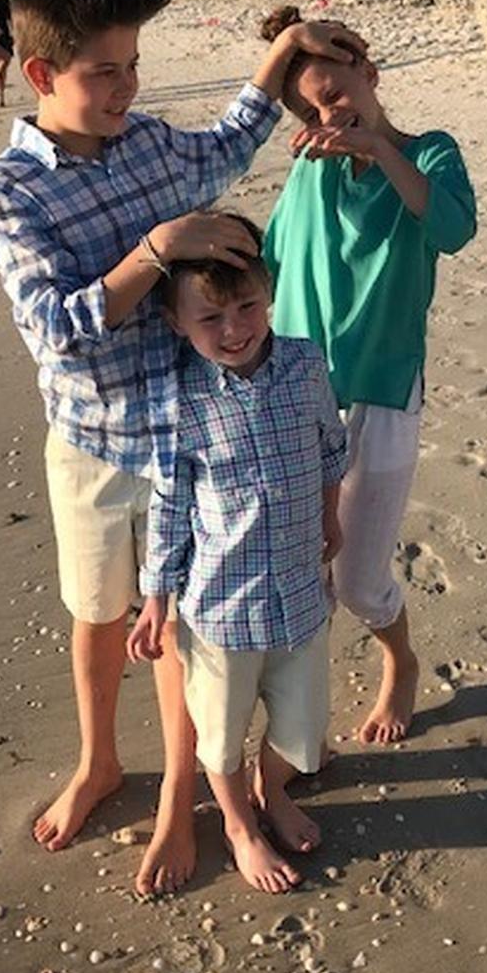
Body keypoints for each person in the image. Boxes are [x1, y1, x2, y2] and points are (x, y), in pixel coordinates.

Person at [0, 0, 361, 896]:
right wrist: (155, 250)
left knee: (186, 625)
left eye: (133, 65)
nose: (127, 88)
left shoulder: (148, 143)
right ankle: (100, 761)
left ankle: (185, 791)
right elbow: (57, 330)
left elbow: (226, 146)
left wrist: (282, 57)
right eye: (105, 72)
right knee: (99, 614)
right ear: (40, 73)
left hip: (199, 437)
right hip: (96, 440)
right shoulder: (8, 192)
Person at [260, 5, 476, 746]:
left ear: (371, 74)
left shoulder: (430, 153)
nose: (330, 116)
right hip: (299, 392)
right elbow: (270, 263)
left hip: (383, 389)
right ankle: (297, 726)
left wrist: (379, 150)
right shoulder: (308, 171)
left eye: (337, 95)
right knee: (305, 574)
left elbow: (451, 228)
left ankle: (400, 661)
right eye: (313, 111)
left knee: (358, 580)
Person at [127, 218, 347, 894]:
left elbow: (331, 446)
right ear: (176, 322)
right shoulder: (181, 398)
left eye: (248, 305)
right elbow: (169, 504)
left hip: (300, 592)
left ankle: (270, 786)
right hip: (220, 607)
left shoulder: (305, 364)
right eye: (211, 318)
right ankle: (238, 824)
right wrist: (156, 598)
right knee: (217, 737)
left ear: (268, 292)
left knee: (304, 734)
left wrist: (331, 515)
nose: (234, 329)